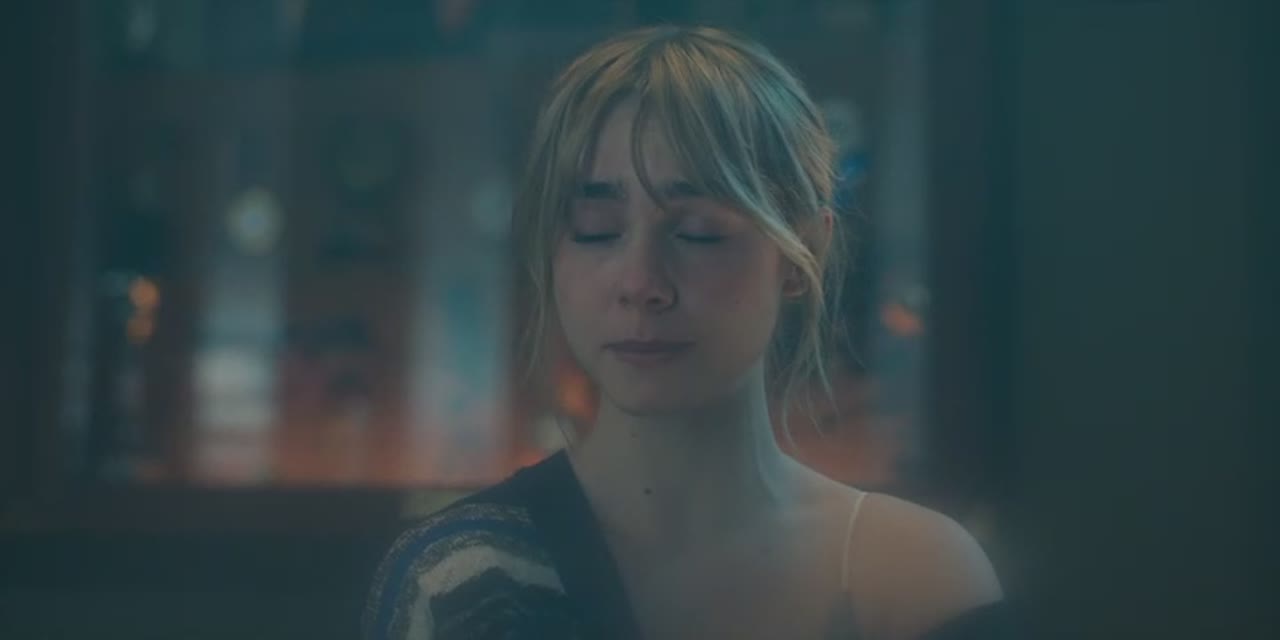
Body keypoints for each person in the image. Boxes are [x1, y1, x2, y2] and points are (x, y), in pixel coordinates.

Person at [364, 25, 1009, 639]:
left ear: (801, 251)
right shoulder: (462, 579)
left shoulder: (916, 581)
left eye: (699, 233)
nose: (641, 281)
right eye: (596, 229)